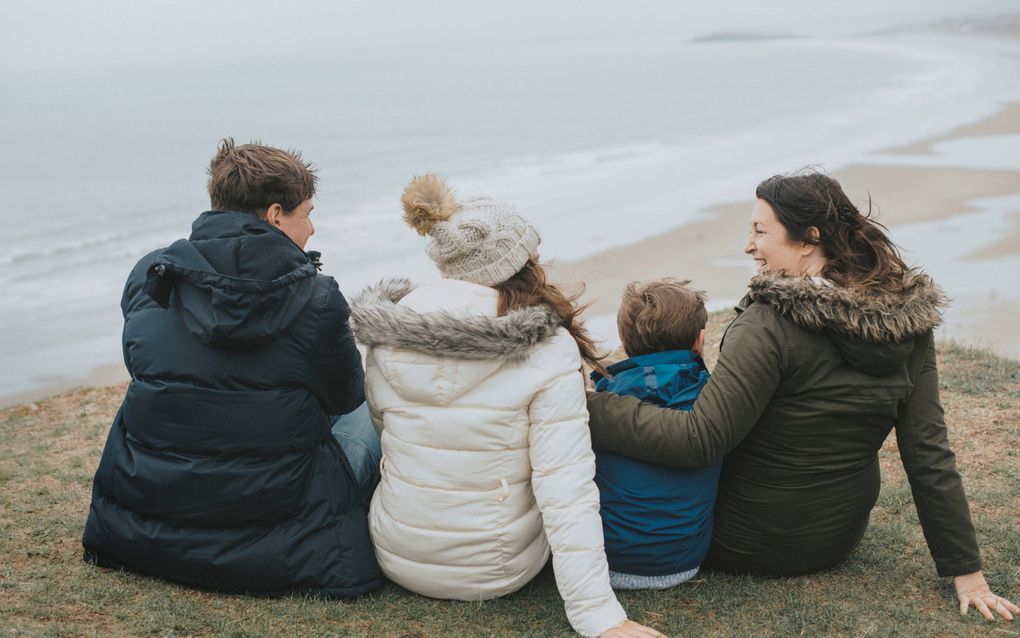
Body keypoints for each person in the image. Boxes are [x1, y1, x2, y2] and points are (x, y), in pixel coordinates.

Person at [584, 170, 1017, 622]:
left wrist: (587, 406)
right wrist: (967, 571)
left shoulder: (769, 323)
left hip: (746, 538)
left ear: (808, 238)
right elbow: (927, 451)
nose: (748, 246)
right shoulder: (909, 322)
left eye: (759, 231)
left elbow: (699, 440)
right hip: (836, 537)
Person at [349, 175, 663, 638]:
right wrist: (601, 618)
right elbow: (565, 488)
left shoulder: (386, 331)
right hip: (496, 569)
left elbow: (387, 437)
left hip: (399, 556)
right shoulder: (545, 346)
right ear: (517, 261)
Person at [82, 139, 383, 598]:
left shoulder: (155, 273)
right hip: (278, 532)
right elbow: (345, 397)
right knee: (371, 413)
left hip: (146, 522)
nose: (313, 227)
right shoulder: (317, 299)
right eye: (307, 212)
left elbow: (143, 360)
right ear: (275, 215)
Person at [591, 279, 721, 591]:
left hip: (607, 561)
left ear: (625, 341)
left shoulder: (608, 399)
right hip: (684, 561)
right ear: (700, 340)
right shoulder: (712, 401)